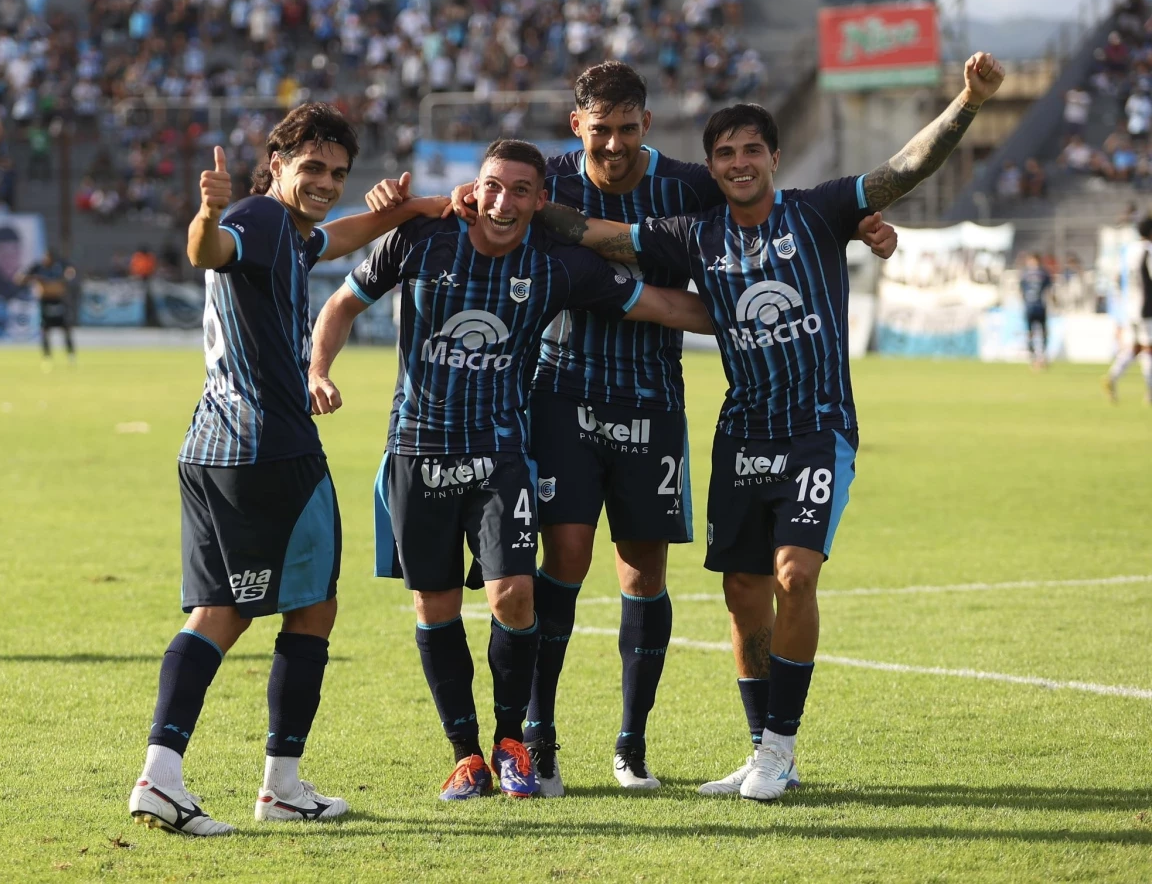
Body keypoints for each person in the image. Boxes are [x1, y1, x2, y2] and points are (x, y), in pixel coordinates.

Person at [392, 61, 894, 796]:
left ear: (647, 125)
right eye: (601, 129)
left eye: (628, 128)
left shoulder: (688, 187)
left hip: (653, 395)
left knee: (643, 571)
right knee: (564, 555)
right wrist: (458, 197)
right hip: (561, 389)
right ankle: (538, 737)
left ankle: (631, 744)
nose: (615, 143)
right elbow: (496, 202)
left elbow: (761, 213)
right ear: (578, 125)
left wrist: (859, 224)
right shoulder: (547, 182)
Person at [536, 51, 1004, 802]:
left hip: (816, 426)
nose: (739, 163)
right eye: (726, 154)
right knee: (744, 591)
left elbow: (902, 170)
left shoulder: (819, 211)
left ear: (775, 158)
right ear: (712, 168)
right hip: (742, 431)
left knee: (795, 575)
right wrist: (501, 205)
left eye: (752, 150)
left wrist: (969, 102)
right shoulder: (694, 233)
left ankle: (780, 749)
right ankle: (762, 752)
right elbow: (599, 234)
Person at [308, 138, 714, 802]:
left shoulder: (556, 265)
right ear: (475, 188)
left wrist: (745, 309)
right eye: (493, 186)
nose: (503, 202)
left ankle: (510, 743)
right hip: (417, 449)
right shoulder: (421, 240)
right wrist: (318, 371)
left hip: (501, 453)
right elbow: (342, 304)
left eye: (521, 190)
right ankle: (466, 757)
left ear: (539, 200)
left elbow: (662, 306)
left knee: (514, 596)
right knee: (434, 606)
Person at [128, 103, 447, 836]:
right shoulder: (261, 220)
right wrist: (206, 215)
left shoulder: (291, 233)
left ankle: (188, 775)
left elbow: (338, 238)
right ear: (275, 165)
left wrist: (413, 209)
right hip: (271, 451)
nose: (327, 183)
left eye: (338, 172)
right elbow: (211, 251)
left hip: (210, 447)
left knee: (227, 608)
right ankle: (249, 782)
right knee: (297, 608)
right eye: (312, 168)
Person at [1103, 216, 1152, 404]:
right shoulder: (1149, 251)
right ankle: (1150, 392)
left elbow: (1116, 277)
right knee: (1148, 349)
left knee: (1135, 348)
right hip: (1147, 307)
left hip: (1130, 306)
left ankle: (1112, 376)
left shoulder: (1128, 250)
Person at [20, 250, 77, 362]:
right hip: (45, 302)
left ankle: (70, 355)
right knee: (45, 330)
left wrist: (63, 280)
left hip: (58, 301)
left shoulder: (59, 267)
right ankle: (47, 356)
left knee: (66, 329)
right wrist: (33, 279)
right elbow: (20, 278)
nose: (45, 260)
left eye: (48, 258)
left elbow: (71, 272)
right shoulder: (38, 268)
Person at [1018, 251, 1053, 369]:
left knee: (1033, 332)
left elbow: (1021, 290)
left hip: (1033, 306)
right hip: (1038, 306)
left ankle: (1037, 357)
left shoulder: (1025, 274)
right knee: (1038, 332)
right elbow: (1050, 290)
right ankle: (1038, 357)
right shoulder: (1044, 273)